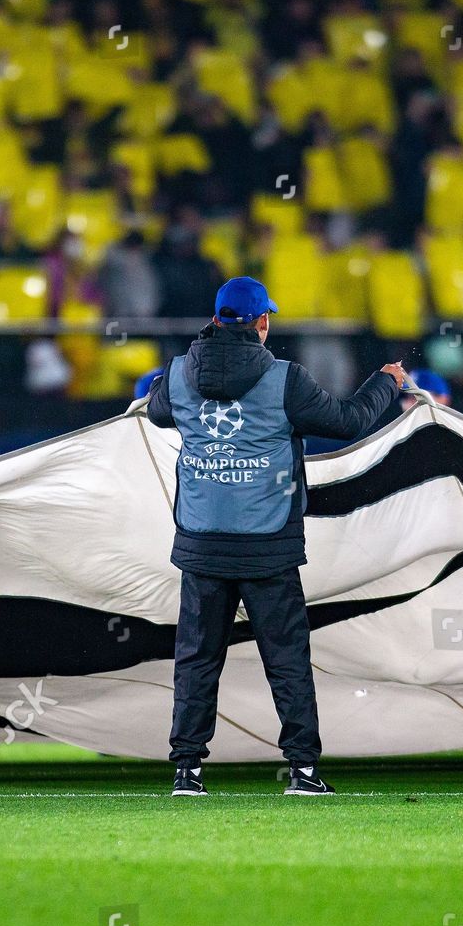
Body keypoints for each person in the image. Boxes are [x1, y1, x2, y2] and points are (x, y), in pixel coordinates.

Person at [145, 276, 404, 796]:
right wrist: (388, 381)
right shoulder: (287, 380)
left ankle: (186, 772)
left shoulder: (177, 376)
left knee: (196, 659)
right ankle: (302, 771)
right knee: (286, 659)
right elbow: (350, 422)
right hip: (267, 545)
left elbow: (155, 409)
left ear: (215, 318)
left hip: (202, 542)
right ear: (263, 322)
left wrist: (165, 380)